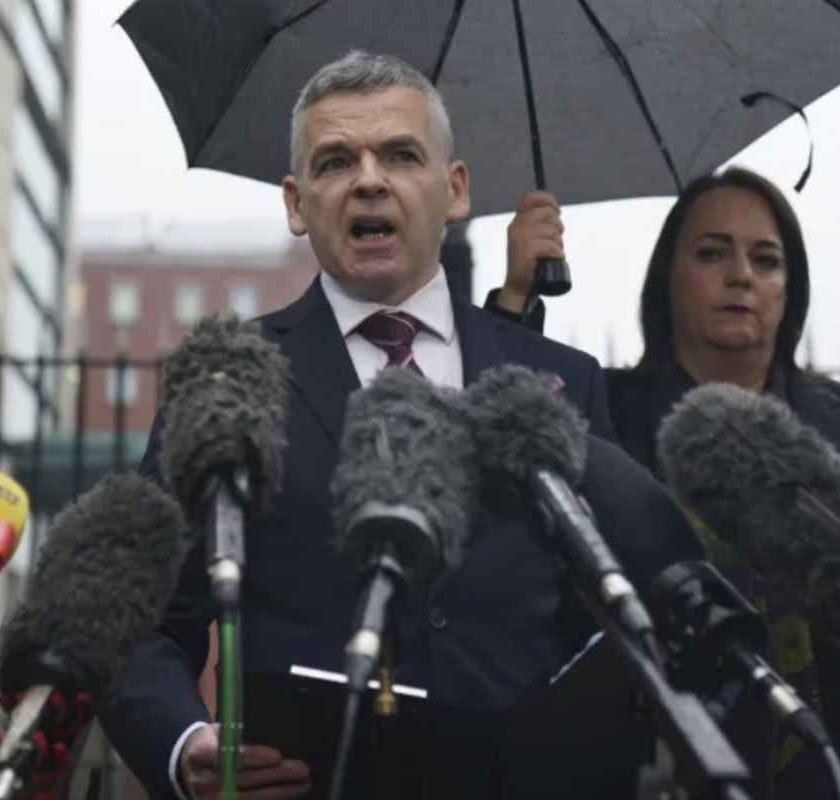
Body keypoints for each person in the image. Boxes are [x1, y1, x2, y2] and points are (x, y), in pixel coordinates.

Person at [99, 51, 705, 800]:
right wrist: (184, 746)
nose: (369, 179)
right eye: (334, 162)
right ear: (296, 203)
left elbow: (613, 621)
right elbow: (141, 624)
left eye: (400, 154)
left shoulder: (560, 382)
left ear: (453, 190)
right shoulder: (228, 380)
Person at [488, 168, 840, 799]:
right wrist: (516, 301)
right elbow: (509, 436)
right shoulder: (604, 413)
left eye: (765, 259)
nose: (741, 275)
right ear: (667, 279)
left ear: (790, 289)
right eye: (712, 253)